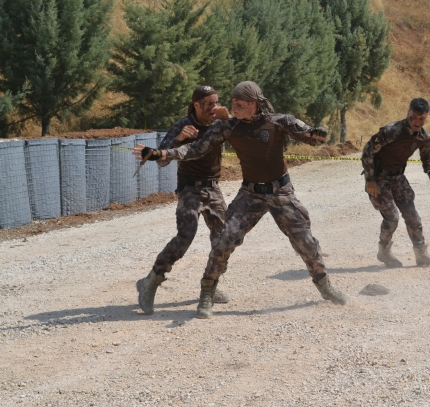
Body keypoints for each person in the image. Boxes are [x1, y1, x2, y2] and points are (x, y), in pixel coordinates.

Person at [135, 81, 347, 318]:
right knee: (224, 239)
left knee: (305, 242)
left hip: (281, 192)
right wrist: (163, 153)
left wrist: (317, 134)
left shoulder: (280, 121)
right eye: (232, 102)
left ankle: (325, 286)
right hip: (248, 194)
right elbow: (195, 150)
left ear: (254, 104)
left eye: (239, 103)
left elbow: (310, 136)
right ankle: (206, 292)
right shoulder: (226, 127)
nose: (232, 106)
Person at [134, 85, 232, 315]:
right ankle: (151, 281)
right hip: (190, 188)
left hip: (214, 188)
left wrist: (230, 121)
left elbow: (241, 138)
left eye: (216, 102)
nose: (214, 108)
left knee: (224, 238)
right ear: (197, 105)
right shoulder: (183, 124)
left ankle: (213, 283)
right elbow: (161, 159)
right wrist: (179, 139)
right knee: (185, 235)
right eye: (209, 104)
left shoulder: (220, 122)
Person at [361, 97, 430, 268]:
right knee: (392, 218)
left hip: (398, 177)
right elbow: (368, 151)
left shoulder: (424, 137)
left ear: (426, 117)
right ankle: (384, 251)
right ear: (408, 113)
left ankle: (421, 253)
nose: (417, 122)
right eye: (414, 117)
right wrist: (370, 180)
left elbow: (427, 157)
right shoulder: (392, 131)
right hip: (379, 177)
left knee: (412, 216)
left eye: (422, 118)